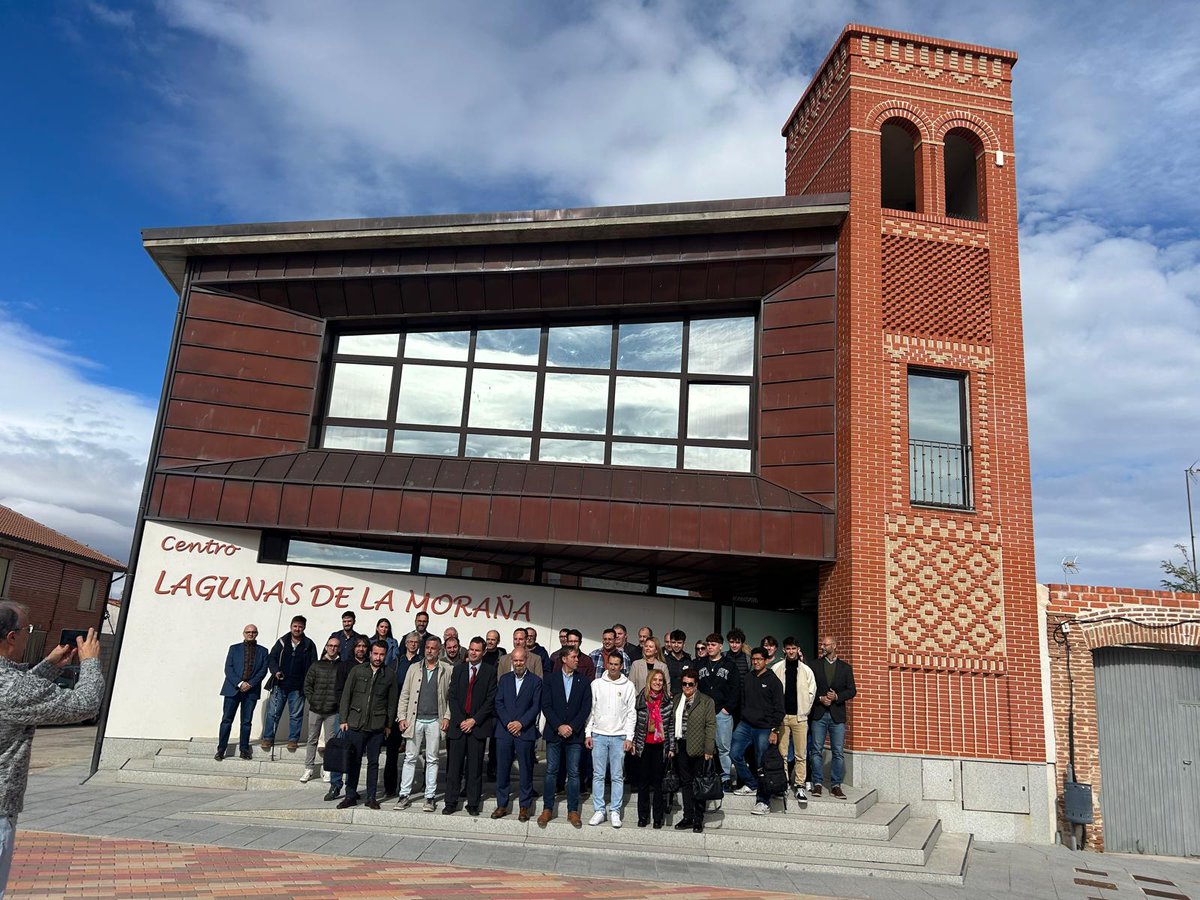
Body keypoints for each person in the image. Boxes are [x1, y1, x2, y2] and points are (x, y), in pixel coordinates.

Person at [0, 602, 103, 898]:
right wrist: (91, 663)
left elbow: (18, 696)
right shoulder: (12, 687)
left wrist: (48, 666)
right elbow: (84, 705)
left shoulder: (13, 685)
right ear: (11, 637)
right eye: (26, 630)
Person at [337, 640, 398, 810]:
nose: (378, 657)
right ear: (370, 653)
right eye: (376, 654)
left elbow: (392, 703)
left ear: (385, 655)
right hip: (355, 724)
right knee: (353, 761)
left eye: (382, 654)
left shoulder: (390, 675)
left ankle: (371, 797)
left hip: (377, 727)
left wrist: (388, 725)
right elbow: (346, 696)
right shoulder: (357, 671)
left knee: (373, 762)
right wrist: (343, 720)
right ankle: (350, 795)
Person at [395, 635, 452, 812]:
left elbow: (451, 697)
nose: (429, 651)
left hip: (435, 720)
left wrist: (447, 717)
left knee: (433, 759)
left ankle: (429, 797)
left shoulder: (447, 670)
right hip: (415, 720)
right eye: (427, 647)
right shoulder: (414, 668)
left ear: (439, 650)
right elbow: (405, 694)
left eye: (433, 648)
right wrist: (402, 717)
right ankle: (404, 795)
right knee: (410, 758)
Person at [539, 647, 591, 829]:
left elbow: (586, 708)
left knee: (574, 773)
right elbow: (546, 705)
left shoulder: (583, 681)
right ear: (564, 659)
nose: (577, 660)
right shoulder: (550, 679)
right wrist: (559, 725)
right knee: (551, 771)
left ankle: (573, 810)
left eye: (577, 657)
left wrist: (572, 726)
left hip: (574, 735)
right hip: (555, 732)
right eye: (574, 657)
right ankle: (547, 808)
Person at [443, 637, 497, 815]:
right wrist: (460, 720)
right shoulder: (458, 670)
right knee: (454, 768)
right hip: (458, 726)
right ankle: (451, 801)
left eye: (477, 650)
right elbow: (452, 696)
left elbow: (490, 700)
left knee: (474, 768)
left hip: (477, 727)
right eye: (471, 649)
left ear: (483, 652)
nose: (473, 653)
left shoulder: (490, 672)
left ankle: (473, 803)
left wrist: (474, 720)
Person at [585, 650, 636, 828]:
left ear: (621, 666)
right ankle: (599, 810)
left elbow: (631, 713)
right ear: (606, 664)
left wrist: (629, 737)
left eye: (617, 664)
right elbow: (591, 709)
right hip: (599, 735)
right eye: (611, 664)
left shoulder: (628, 686)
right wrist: (588, 733)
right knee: (598, 775)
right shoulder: (596, 684)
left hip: (619, 737)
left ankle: (615, 810)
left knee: (617, 776)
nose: (613, 667)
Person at [491, 649, 542, 822]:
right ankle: (502, 804)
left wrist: (521, 723)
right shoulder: (505, 680)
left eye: (521, 660)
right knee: (503, 770)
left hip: (525, 731)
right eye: (515, 660)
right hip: (505, 732)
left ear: (526, 660)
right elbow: (499, 702)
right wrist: (508, 723)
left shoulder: (535, 681)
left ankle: (524, 806)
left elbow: (536, 707)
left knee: (526, 770)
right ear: (511, 661)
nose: (518, 663)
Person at [732, 648, 784, 815]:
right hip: (746, 725)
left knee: (762, 764)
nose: (755, 662)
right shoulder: (748, 678)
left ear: (766, 661)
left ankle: (763, 801)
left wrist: (774, 730)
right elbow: (743, 701)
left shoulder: (774, 681)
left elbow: (779, 709)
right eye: (753, 659)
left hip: (765, 728)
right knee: (734, 754)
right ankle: (751, 783)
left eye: (759, 659)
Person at [809, 635, 856, 799]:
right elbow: (807, 688)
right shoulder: (814, 665)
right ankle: (817, 783)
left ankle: (836, 785)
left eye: (826, 644)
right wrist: (820, 698)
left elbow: (852, 690)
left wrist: (836, 697)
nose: (822, 646)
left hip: (837, 716)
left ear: (834, 646)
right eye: (822, 644)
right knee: (816, 750)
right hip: (819, 714)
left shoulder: (845, 668)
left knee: (838, 752)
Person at [261, 615, 318, 752]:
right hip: (279, 684)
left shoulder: (309, 645)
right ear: (291, 626)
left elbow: (313, 665)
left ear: (304, 628)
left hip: (298, 687)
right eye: (295, 626)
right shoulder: (281, 642)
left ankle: (293, 740)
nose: (297, 629)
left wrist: (308, 684)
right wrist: (275, 671)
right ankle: (268, 737)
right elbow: (272, 658)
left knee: (296, 715)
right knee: (273, 713)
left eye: (300, 626)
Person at [301, 635, 346, 801]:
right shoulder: (316, 665)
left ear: (339, 649)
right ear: (326, 647)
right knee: (312, 739)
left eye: (336, 646)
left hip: (332, 711)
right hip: (316, 709)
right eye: (330, 646)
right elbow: (308, 686)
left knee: (330, 742)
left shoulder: (341, 666)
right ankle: (309, 768)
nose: (333, 648)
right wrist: (314, 701)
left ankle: (328, 769)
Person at [772, 636, 816, 806]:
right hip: (782, 717)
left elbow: (811, 692)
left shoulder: (806, 670)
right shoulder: (776, 668)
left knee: (800, 754)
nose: (791, 652)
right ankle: (783, 784)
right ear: (784, 650)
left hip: (800, 717)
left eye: (793, 648)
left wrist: (804, 710)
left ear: (798, 649)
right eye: (788, 648)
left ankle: (799, 785)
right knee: (782, 753)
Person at [672, 668, 716, 833]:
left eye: (691, 684)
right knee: (686, 784)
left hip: (699, 748)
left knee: (699, 784)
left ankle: (698, 818)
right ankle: (688, 816)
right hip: (681, 746)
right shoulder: (677, 699)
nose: (687, 687)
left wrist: (709, 749)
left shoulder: (706, 701)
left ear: (696, 685)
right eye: (684, 684)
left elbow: (711, 725)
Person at [216, 624, 268, 761]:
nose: (250, 634)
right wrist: (239, 683)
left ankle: (244, 749)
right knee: (227, 720)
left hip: (251, 691)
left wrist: (250, 684)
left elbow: (263, 671)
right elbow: (228, 668)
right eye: (248, 632)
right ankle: (221, 749)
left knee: (246, 722)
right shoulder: (234, 649)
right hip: (232, 689)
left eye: (253, 632)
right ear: (243, 633)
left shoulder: (263, 651)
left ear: (257, 633)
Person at [632, 669, 675, 829]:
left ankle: (658, 817)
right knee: (643, 782)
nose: (657, 682)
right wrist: (634, 742)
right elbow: (635, 723)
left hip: (660, 746)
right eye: (655, 680)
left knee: (658, 783)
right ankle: (643, 816)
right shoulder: (641, 700)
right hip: (644, 745)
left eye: (660, 680)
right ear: (649, 681)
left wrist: (671, 747)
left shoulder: (667, 702)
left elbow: (670, 726)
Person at [697, 632, 739, 789]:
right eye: (708, 644)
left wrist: (727, 709)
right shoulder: (700, 664)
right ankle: (706, 775)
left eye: (713, 644)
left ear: (721, 646)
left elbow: (736, 689)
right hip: (704, 713)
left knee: (723, 748)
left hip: (722, 712)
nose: (710, 647)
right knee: (704, 746)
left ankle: (726, 778)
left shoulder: (730, 665)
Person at [385, 631, 422, 798]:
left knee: (412, 752)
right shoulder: (396, 662)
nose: (413, 644)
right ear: (406, 644)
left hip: (414, 712)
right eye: (410, 642)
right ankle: (390, 787)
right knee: (392, 752)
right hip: (396, 712)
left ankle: (410, 787)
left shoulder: (421, 662)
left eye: (416, 642)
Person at [663, 629, 691, 698]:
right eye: (673, 642)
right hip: (668, 698)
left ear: (684, 644)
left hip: (685, 697)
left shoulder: (689, 660)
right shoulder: (664, 660)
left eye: (679, 643)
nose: (676, 645)